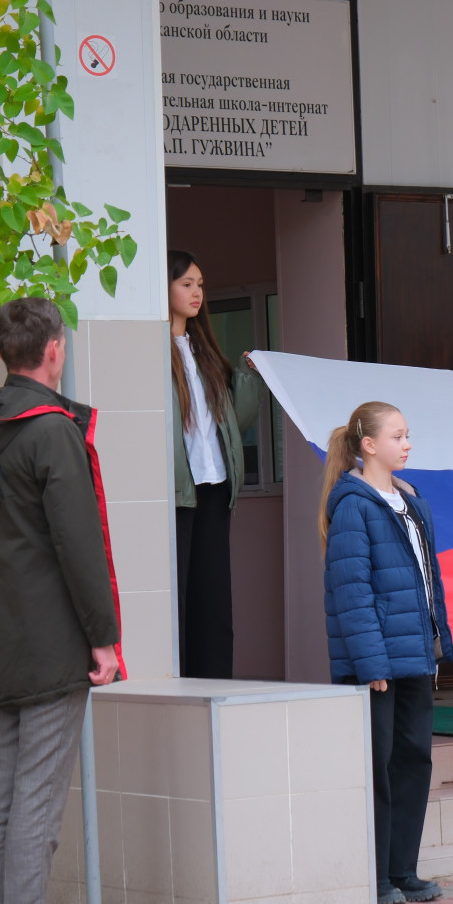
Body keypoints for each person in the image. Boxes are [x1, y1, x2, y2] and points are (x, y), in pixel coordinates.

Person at [0, 297, 123, 904]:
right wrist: (104, 638)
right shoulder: (51, 431)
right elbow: (79, 545)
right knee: (34, 803)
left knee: (3, 796)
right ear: (54, 349)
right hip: (51, 645)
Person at [319, 401, 453, 904]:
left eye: (407, 435)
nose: (407, 444)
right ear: (369, 445)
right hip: (376, 664)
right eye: (397, 436)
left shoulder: (412, 502)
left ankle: (403, 871)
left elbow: (427, 581)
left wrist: (435, 643)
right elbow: (351, 592)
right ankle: (374, 877)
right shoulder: (353, 505)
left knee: (414, 760)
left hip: (414, 654)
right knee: (376, 766)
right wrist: (371, 664)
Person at [168, 250, 263, 679]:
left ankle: (214, 683)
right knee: (178, 596)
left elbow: (228, 428)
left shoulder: (203, 350)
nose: (197, 293)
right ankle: (180, 683)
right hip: (177, 492)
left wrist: (248, 378)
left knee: (213, 598)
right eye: (186, 284)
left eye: (200, 285)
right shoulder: (154, 351)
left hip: (215, 486)